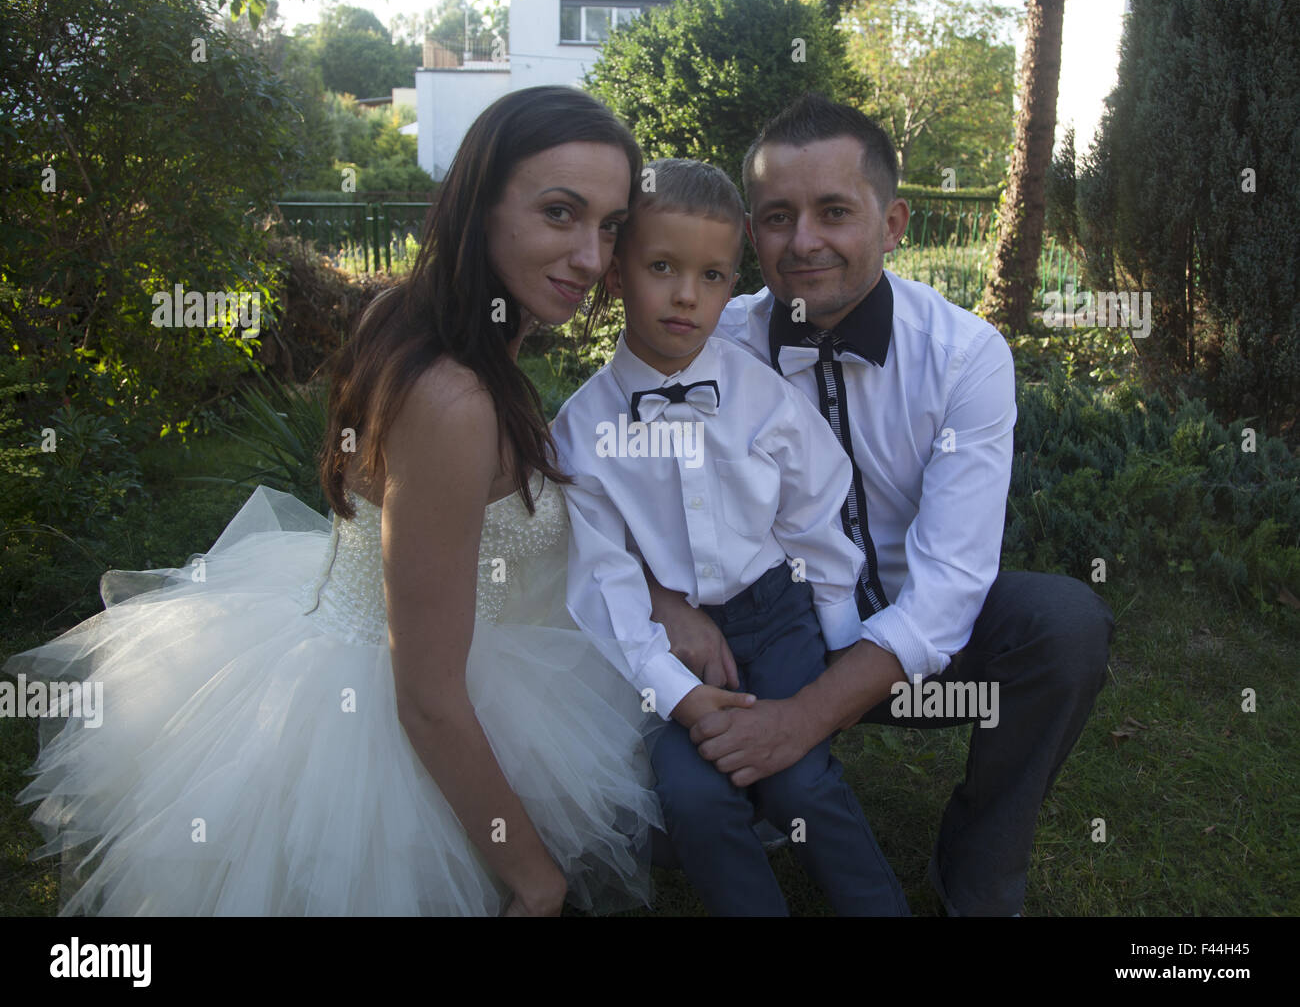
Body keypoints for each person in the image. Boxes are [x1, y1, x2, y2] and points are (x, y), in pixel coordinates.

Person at [3, 85, 662, 917]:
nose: (591, 258)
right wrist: (536, 877)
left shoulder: (403, 314)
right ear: (479, 207)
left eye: (609, 227)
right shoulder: (457, 401)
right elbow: (425, 698)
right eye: (560, 213)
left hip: (337, 632)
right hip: (400, 717)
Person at [646, 94, 1115, 917]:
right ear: (751, 233)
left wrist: (804, 720)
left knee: (1064, 622)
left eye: (834, 212)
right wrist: (663, 605)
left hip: (920, 663)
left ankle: (978, 871)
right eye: (777, 218)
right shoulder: (705, 348)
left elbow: (950, 588)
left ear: (892, 222)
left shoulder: (965, 357)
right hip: (761, 643)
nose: (804, 243)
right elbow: (590, 479)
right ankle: (749, 800)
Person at [551, 158, 909, 916]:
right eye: (661, 267)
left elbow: (814, 510)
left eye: (714, 277)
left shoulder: (758, 393)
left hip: (776, 617)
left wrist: (840, 633)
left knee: (798, 779)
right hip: (664, 640)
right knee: (691, 793)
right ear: (615, 274)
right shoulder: (582, 432)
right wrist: (682, 699)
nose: (688, 295)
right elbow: (607, 586)